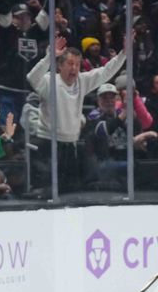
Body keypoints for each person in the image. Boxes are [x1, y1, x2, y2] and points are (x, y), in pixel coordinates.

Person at [26, 36, 125, 193]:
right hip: (48, 144)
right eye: (70, 64)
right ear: (60, 65)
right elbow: (32, 78)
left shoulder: (82, 81)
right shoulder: (49, 81)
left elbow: (106, 72)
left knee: (70, 195)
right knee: (46, 193)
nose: (74, 68)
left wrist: (124, 53)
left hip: (70, 145)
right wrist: (48, 58)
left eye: (78, 65)